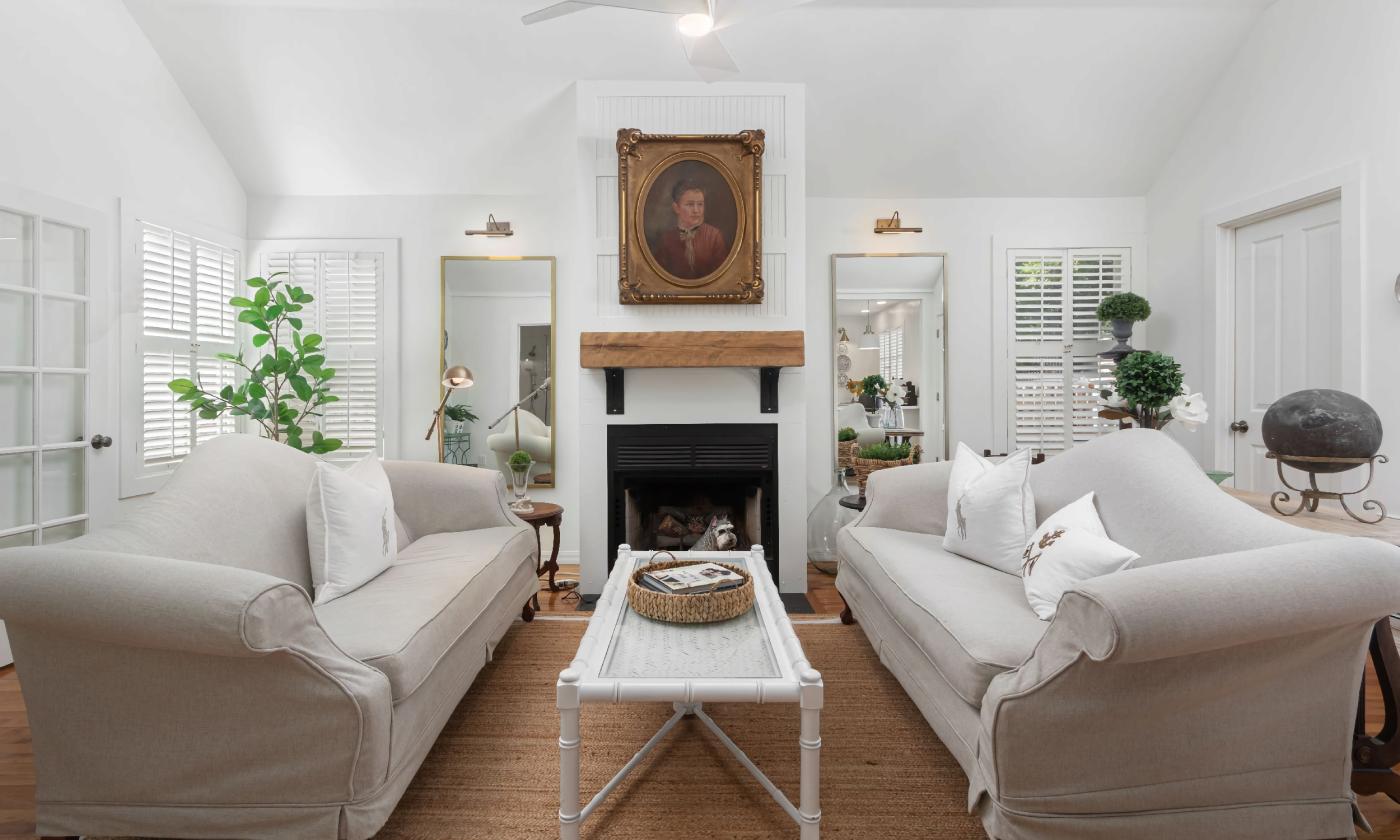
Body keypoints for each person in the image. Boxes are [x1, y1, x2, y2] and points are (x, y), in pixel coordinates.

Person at [653, 178, 728, 280]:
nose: (696, 210)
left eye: (700, 204)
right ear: (676, 208)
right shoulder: (666, 239)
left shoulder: (714, 236)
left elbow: (722, 276)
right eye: (690, 204)